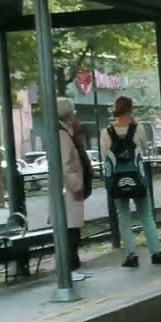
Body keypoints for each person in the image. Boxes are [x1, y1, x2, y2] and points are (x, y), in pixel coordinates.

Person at [103, 96, 161, 268]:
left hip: (117, 181)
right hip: (137, 179)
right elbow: (145, 148)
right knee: (146, 214)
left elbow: (105, 156)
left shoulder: (105, 133)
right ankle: (155, 252)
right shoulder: (138, 129)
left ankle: (131, 255)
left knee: (123, 216)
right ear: (131, 109)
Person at [55, 98, 88, 282]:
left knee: (73, 229)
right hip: (68, 191)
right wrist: (76, 184)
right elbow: (65, 165)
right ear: (67, 114)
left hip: (68, 190)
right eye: (73, 111)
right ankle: (70, 269)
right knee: (70, 230)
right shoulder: (62, 135)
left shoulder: (65, 133)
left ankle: (73, 266)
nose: (75, 115)